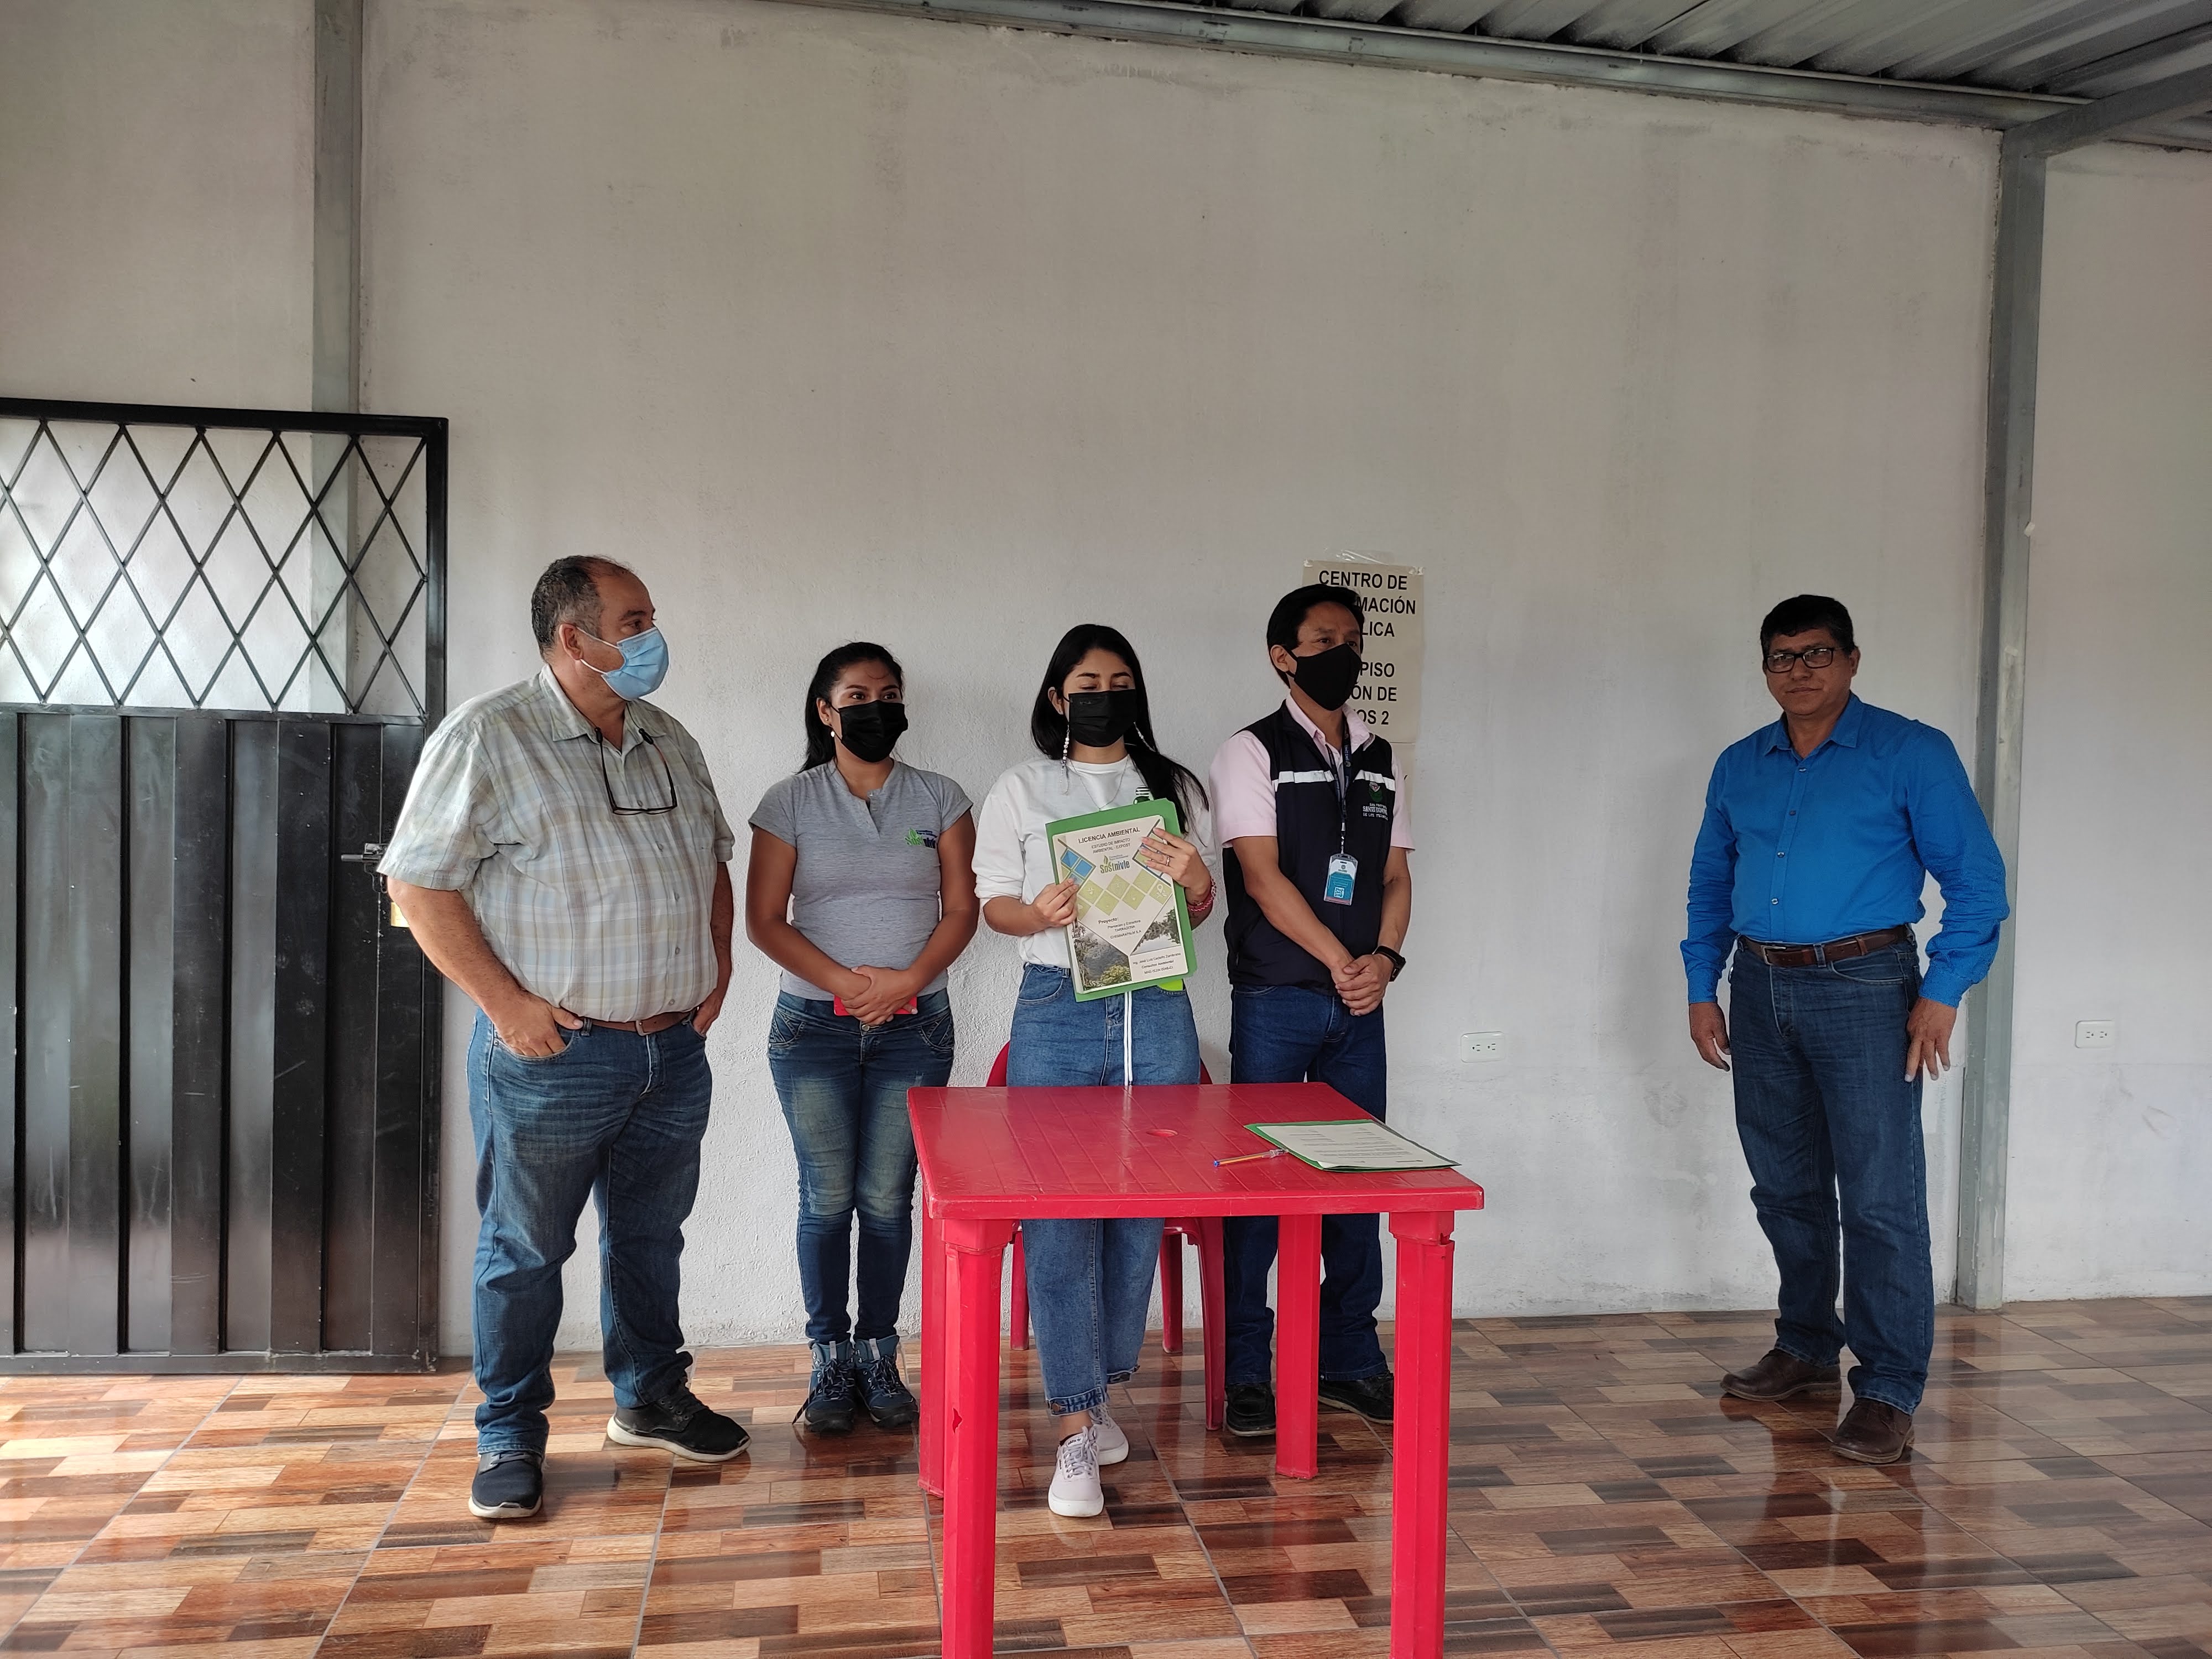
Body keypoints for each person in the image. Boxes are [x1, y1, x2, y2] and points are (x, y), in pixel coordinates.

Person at [383, 555, 748, 1524]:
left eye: (651, 617)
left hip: (670, 1053)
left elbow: (712, 860)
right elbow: (417, 884)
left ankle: (650, 1398)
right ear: (573, 636)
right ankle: (509, 1431)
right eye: (634, 621)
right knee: (525, 1251)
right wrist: (506, 1005)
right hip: (553, 1058)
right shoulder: (488, 735)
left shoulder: (668, 738)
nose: (652, 636)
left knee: (650, 1238)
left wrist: (716, 968)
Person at [1683, 594, 2008, 1465]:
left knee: (1878, 1197)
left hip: (1868, 988)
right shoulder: (1740, 764)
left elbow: (1977, 884)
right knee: (1784, 1188)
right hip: (1759, 986)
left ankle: (1889, 1388)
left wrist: (1944, 991)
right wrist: (1702, 986)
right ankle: (1804, 1344)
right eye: (1782, 657)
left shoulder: (1911, 752)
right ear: (1765, 669)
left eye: (1817, 653)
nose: (1799, 670)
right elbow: (1710, 882)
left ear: (1852, 659)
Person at [973, 624, 1215, 1518]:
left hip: (1156, 1005)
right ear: (1056, 697)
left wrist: (1198, 880)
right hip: (1057, 1006)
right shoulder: (1022, 787)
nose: (1103, 696)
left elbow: (1200, 909)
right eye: (1086, 682)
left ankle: (1103, 1391)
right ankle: (1074, 1428)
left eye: (1119, 682)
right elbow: (991, 903)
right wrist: (1036, 914)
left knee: (1141, 1206)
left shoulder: (1176, 789)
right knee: (1058, 1210)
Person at [745, 642, 978, 1436]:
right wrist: (850, 986)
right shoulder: (789, 802)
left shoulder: (941, 797)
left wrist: (907, 982)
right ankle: (829, 1357)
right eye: (856, 696)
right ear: (826, 711)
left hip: (917, 1028)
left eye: (889, 694)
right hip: (813, 1029)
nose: (876, 707)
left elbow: (961, 909)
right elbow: (765, 921)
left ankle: (879, 1352)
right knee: (827, 1197)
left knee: (885, 1199)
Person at [1208, 583, 1413, 1439]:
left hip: (1359, 1006)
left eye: (1354, 639)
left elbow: (1396, 875)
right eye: (1326, 639)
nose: (1346, 653)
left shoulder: (1379, 755)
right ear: (1282, 656)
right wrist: (1340, 962)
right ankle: (1246, 1373)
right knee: (1257, 1188)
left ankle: (1349, 1361)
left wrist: (1385, 963)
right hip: (1277, 999)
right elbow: (1261, 877)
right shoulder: (1250, 752)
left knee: (1358, 1184)